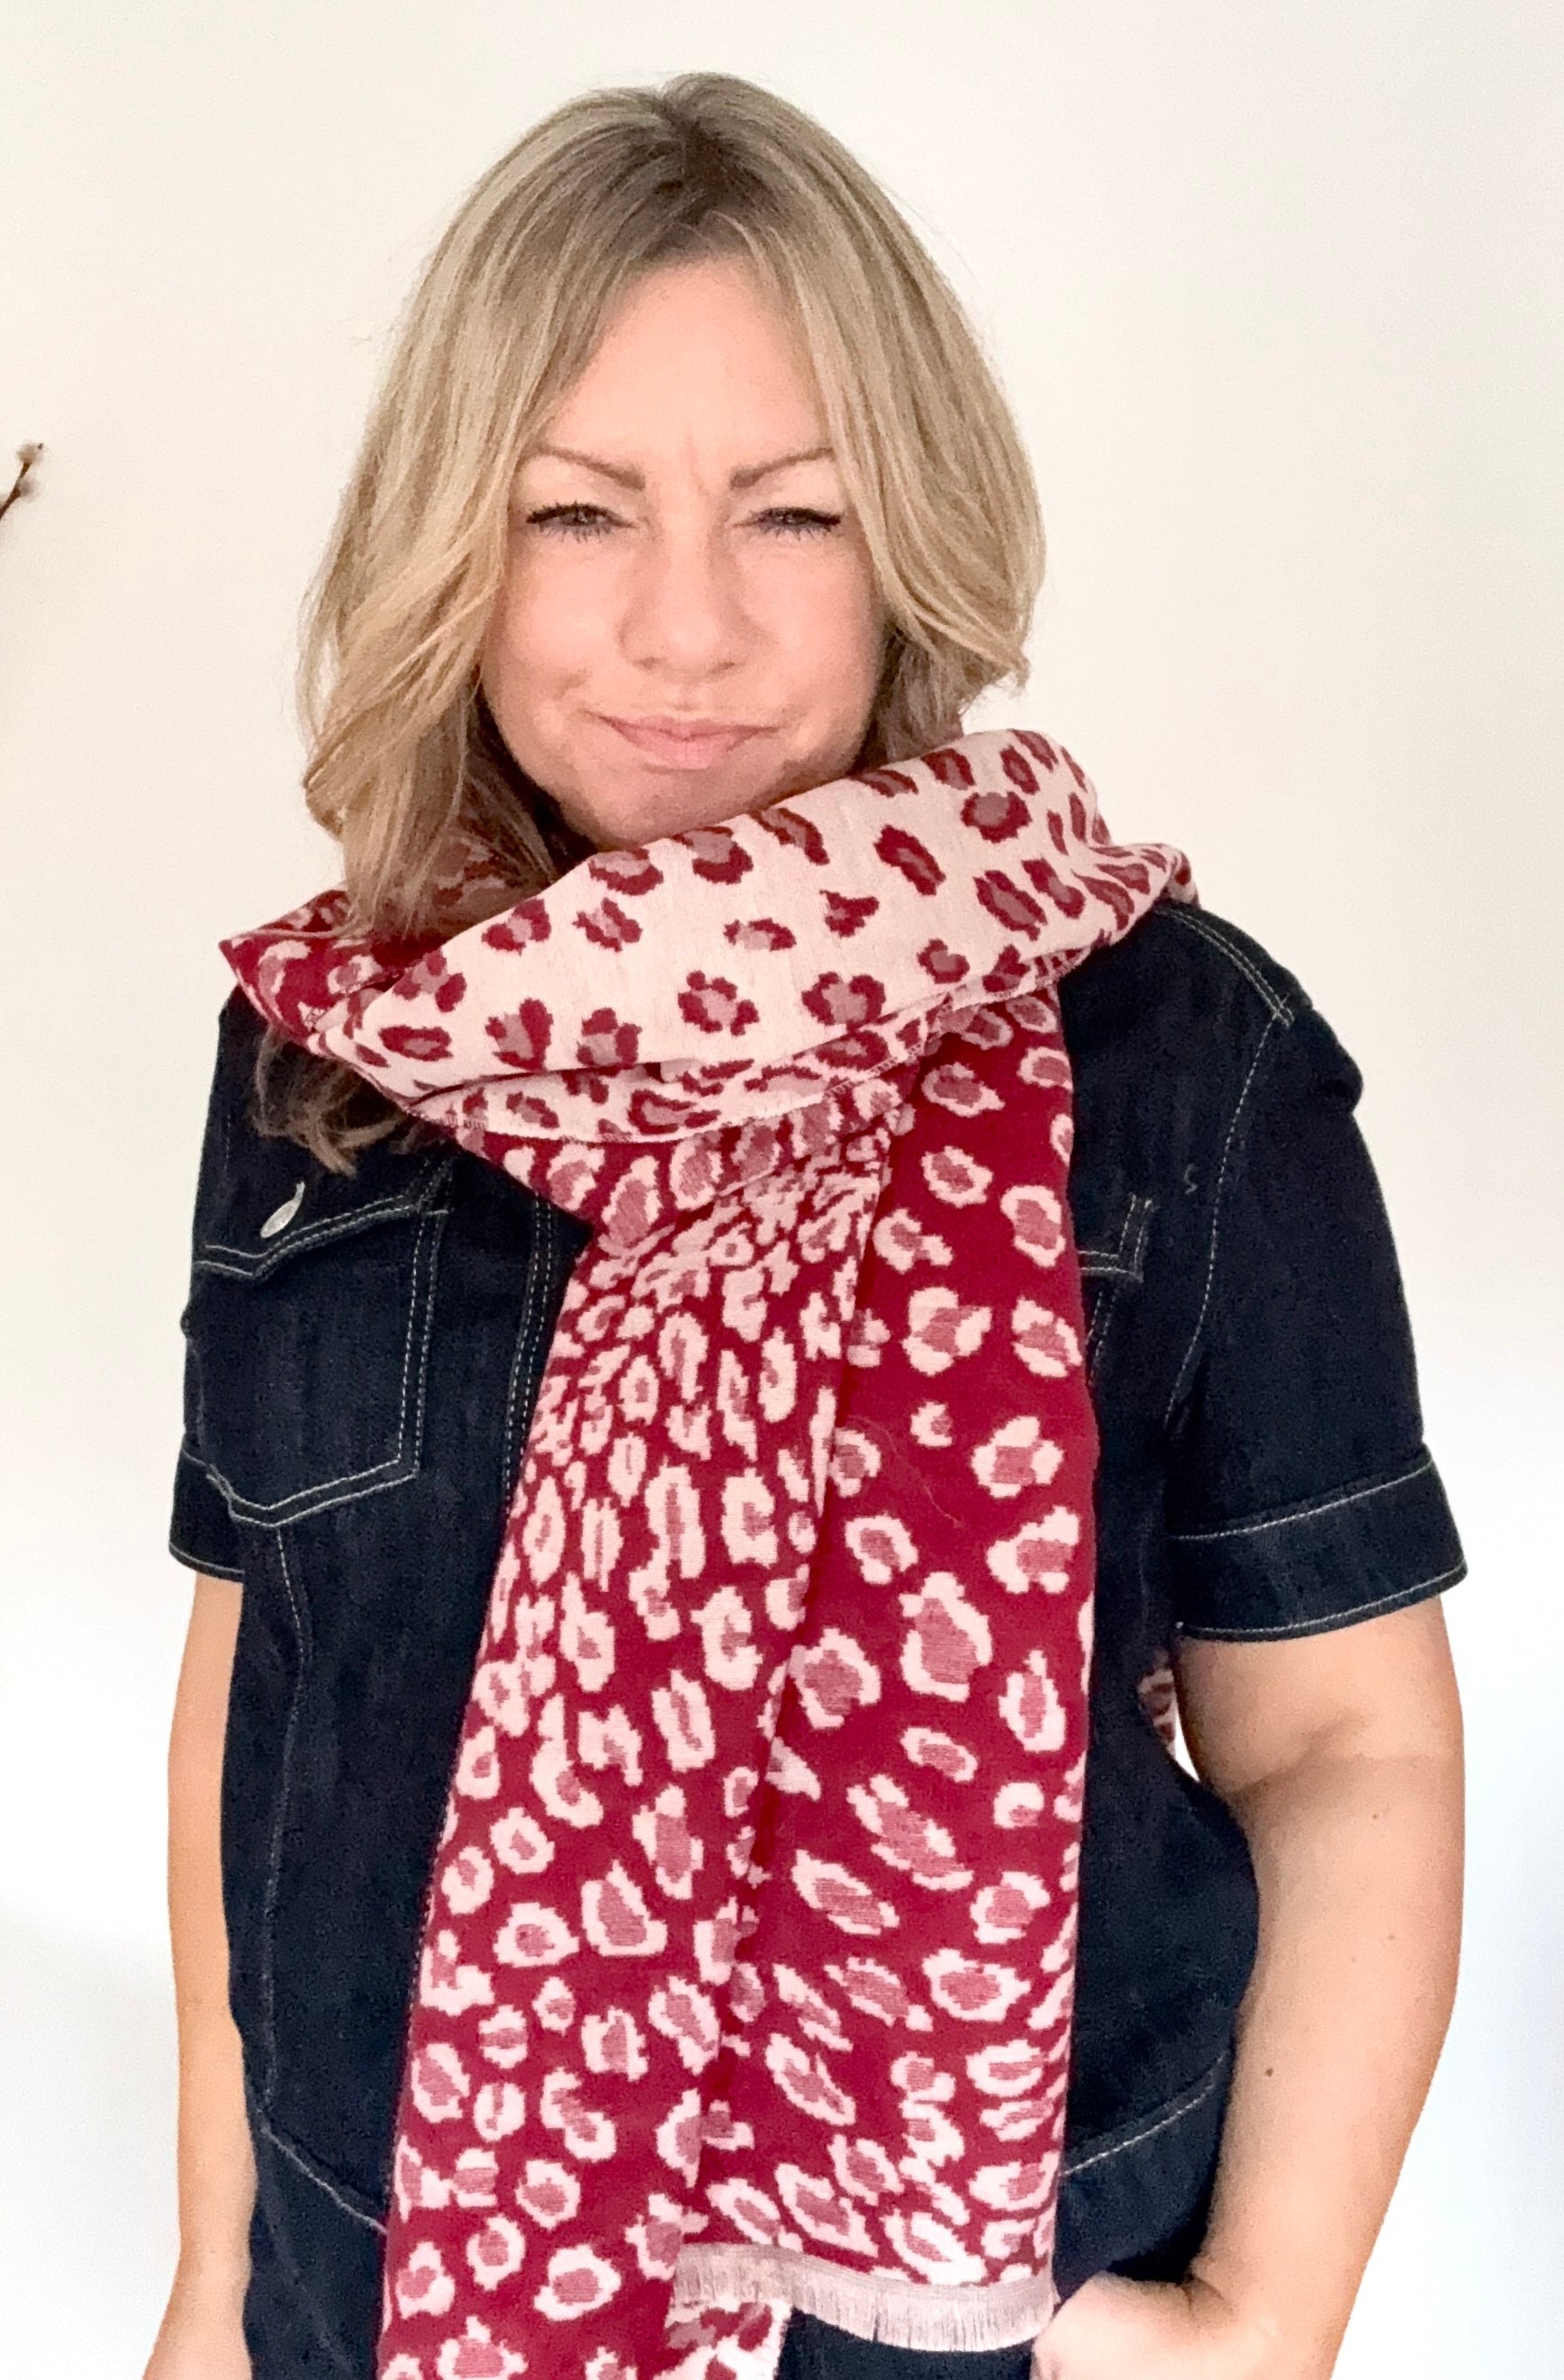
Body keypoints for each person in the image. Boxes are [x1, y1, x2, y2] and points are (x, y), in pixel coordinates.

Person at [143, 71, 1466, 2380]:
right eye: (576, 511)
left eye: (789, 515)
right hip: (386, 2303)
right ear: (453, 539)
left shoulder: (1174, 1058)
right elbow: (264, 1681)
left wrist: (1266, 2318)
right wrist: (208, 2275)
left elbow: (1348, 1737)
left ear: (911, 538)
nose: (683, 632)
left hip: (988, 2322)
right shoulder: (331, 1059)